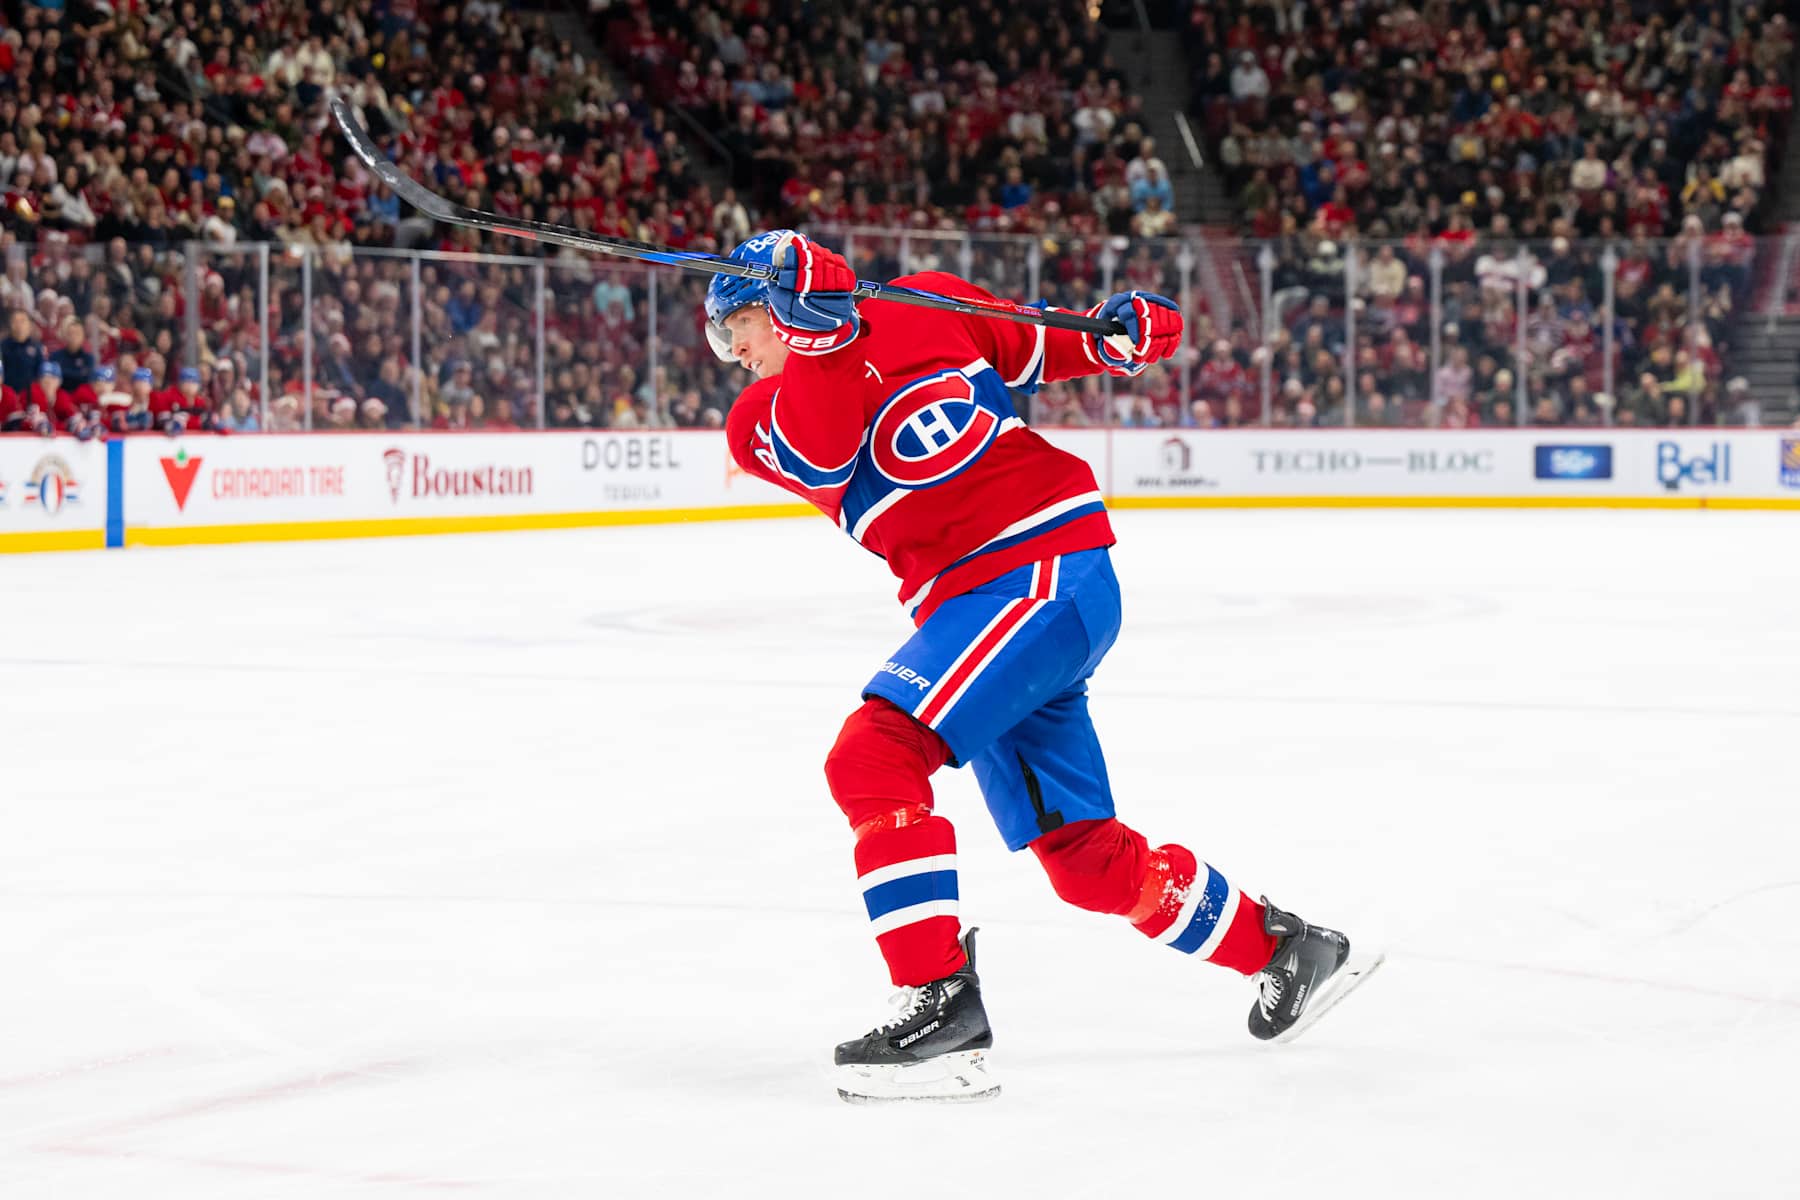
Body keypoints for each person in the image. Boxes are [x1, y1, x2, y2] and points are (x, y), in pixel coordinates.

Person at [710, 231, 1378, 1104]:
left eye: (742, 329)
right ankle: (1288, 950)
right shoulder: (760, 421)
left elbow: (1042, 339)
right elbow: (826, 435)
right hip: (985, 609)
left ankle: (938, 999)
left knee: (872, 757)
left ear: (773, 309)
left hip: (1044, 569)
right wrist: (822, 332)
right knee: (1082, 858)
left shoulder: (922, 299)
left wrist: (1120, 334)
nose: (739, 354)